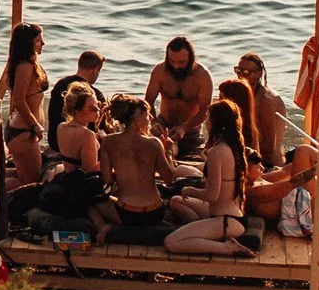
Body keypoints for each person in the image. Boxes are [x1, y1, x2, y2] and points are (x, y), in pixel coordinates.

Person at [164, 100, 254, 256]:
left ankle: (228, 248)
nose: (206, 122)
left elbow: (212, 195)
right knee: (176, 201)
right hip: (233, 216)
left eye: (208, 118)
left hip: (226, 220)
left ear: (216, 123)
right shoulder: (234, 146)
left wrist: (189, 190)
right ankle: (201, 230)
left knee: (171, 242)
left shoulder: (217, 152)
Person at [90, 96, 180, 246]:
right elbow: (169, 179)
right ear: (137, 120)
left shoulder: (108, 142)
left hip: (127, 214)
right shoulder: (154, 143)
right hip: (155, 213)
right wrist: (168, 151)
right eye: (147, 114)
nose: (151, 118)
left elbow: (106, 179)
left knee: (92, 202)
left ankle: (102, 227)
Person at [38, 82, 108, 222]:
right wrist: (112, 163)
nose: (98, 111)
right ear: (78, 111)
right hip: (80, 182)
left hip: (65, 176)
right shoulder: (87, 134)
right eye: (92, 108)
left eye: (98, 106)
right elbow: (90, 168)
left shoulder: (62, 127)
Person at [146, 38, 213, 158]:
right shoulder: (159, 71)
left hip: (191, 132)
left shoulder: (202, 76)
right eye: (172, 61)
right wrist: (154, 122)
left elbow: (205, 111)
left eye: (181, 62)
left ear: (191, 59)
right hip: (163, 126)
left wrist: (184, 128)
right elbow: (147, 103)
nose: (176, 66)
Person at [1, 23, 49, 188]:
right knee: (31, 183)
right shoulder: (25, 66)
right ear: (28, 43)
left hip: (22, 131)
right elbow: (19, 100)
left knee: (25, 175)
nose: (42, 44)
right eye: (38, 41)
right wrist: (34, 125)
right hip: (24, 131)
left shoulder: (28, 63)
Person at [44, 50, 107, 150]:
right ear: (95, 70)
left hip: (55, 141)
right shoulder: (94, 95)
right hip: (80, 146)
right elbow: (101, 128)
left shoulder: (60, 84)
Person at [232, 52, 285, 165]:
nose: (241, 75)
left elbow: (268, 147)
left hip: (268, 162)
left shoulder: (266, 100)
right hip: (249, 156)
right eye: (238, 70)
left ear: (258, 74)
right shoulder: (241, 93)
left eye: (246, 72)